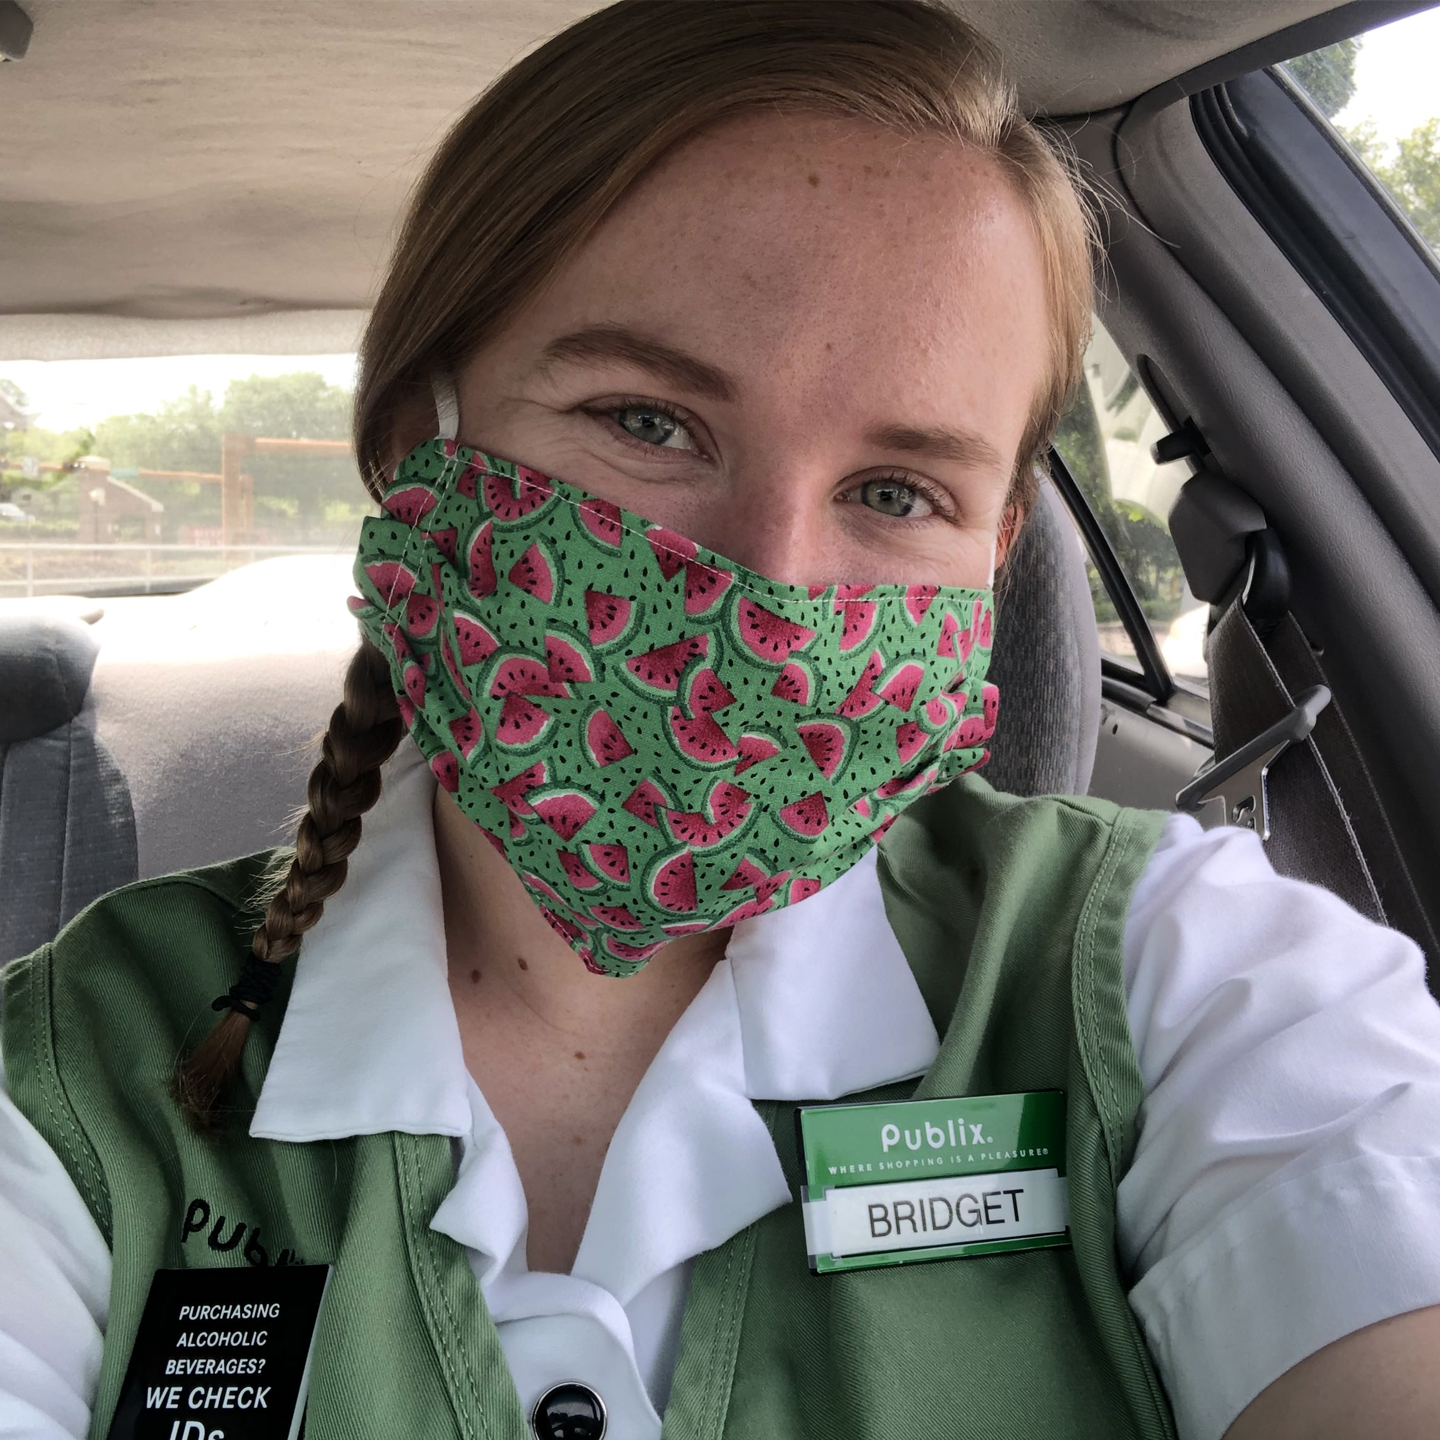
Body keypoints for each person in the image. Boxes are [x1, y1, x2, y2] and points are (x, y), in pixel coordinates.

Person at [5, 3, 1440, 1438]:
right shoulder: (71, 1076)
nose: (768, 583)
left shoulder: (1190, 981)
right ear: (411, 440)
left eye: (894, 491)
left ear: (997, 549)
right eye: (648, 421)